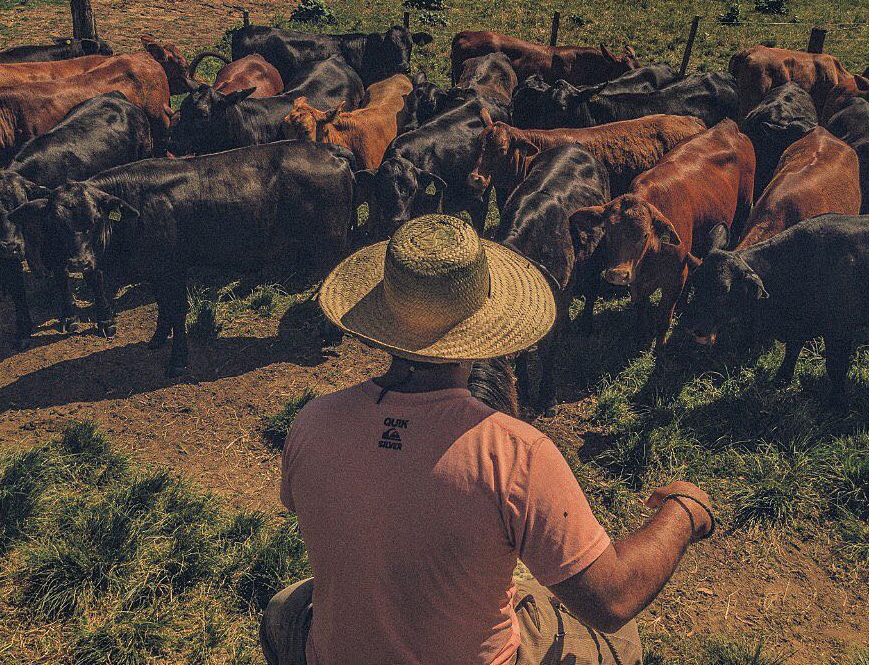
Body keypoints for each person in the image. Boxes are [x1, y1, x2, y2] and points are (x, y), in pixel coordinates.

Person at [262, 214, 714, 665]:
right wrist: (684, 513)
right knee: (622, 640)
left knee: (286, 605)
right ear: (486, 318)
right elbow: (612, 599)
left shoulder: (312, 421)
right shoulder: (517, 453)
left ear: (385, 314)